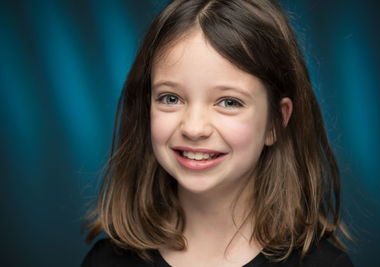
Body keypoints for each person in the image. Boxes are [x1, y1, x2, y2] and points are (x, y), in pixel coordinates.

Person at [81, 0, 354, 266]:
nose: (194, 128)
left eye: (229, 102)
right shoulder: (105, 261)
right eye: (171, 98)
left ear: (275, 123)